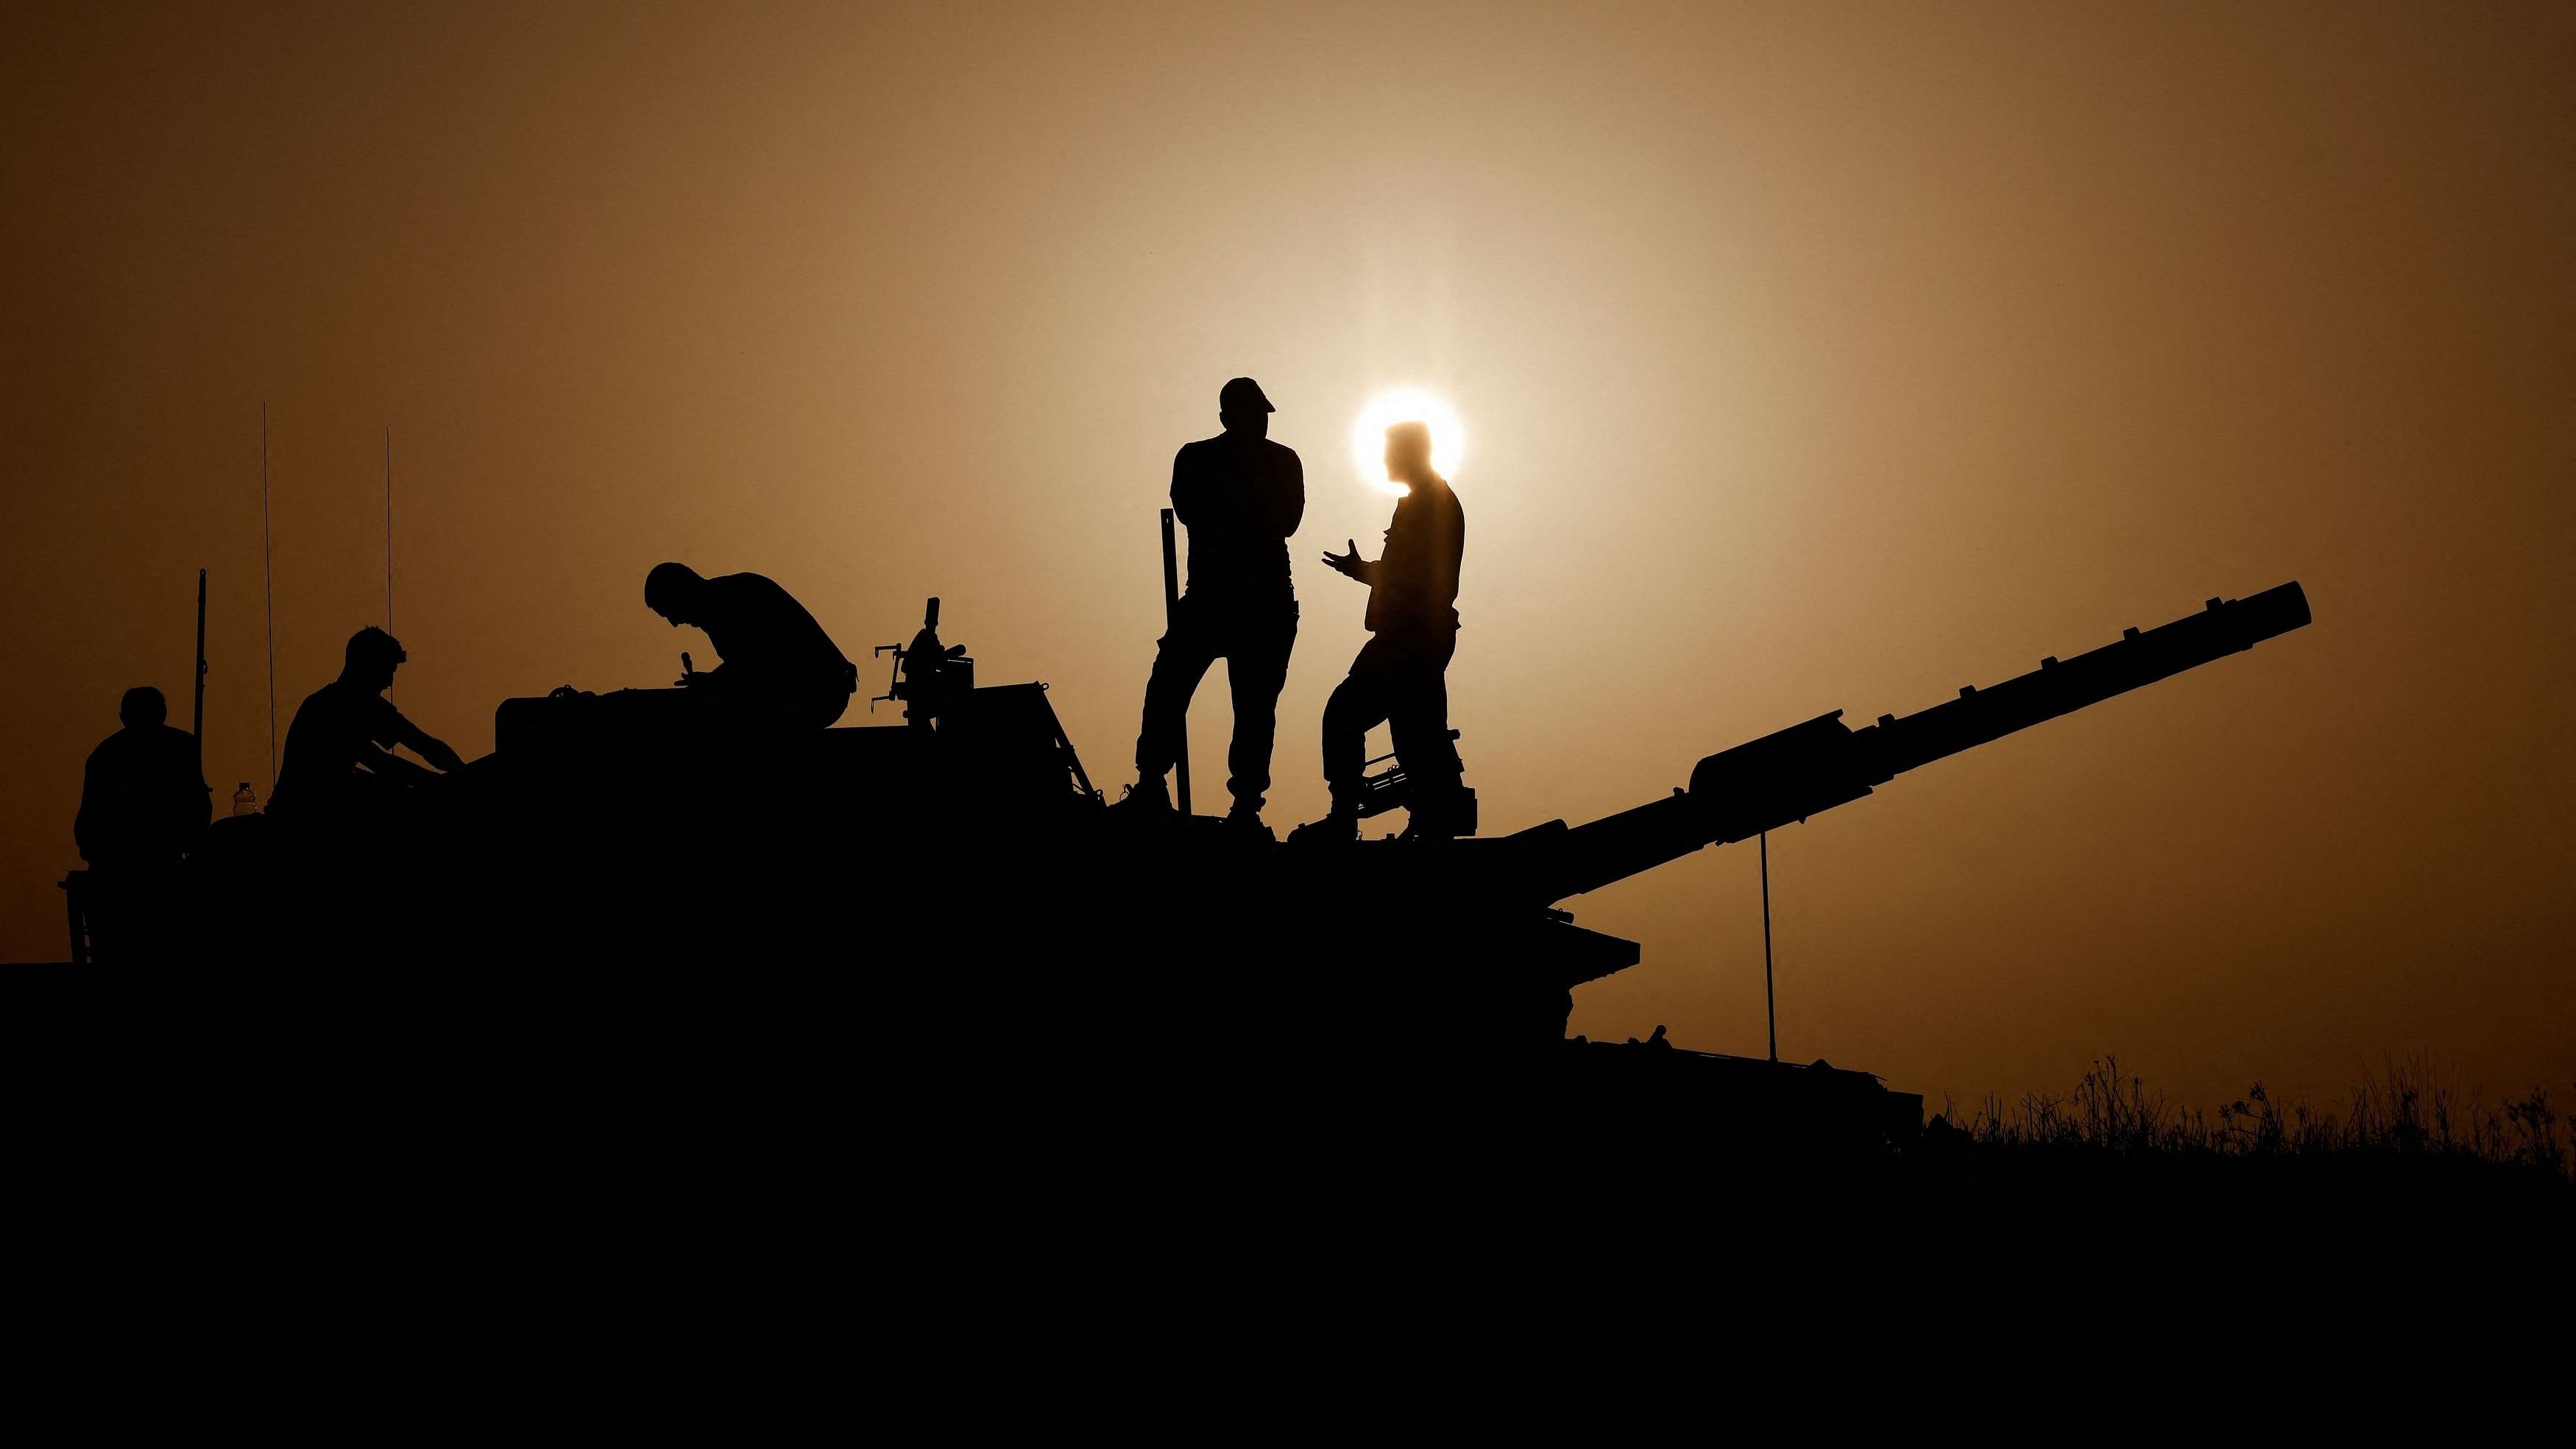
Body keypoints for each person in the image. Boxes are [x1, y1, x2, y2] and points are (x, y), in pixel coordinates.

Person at [1116, 376, 1304, 834]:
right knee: (1168, 687)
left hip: (1264, 607)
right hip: (1209, 601)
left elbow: (1288, 521)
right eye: (1252, 414)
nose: (1260, 422)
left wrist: (1240, 503)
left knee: (1255, 707)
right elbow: (1192, 511)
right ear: (1228, 417)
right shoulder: (1197, 457)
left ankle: (1245, 805)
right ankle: (1151, 783)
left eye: (1263, 415)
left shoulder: (1282, 461)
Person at [1295, 420, 1471, 843]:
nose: (1384, 459)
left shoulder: (1430, 505)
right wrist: (1366, 571)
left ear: (1411, 453)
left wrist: (1372, 574)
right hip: (1411, 635)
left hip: (1410, 637)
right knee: (1416, 731)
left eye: (1391, 451)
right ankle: (1430, 817)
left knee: (1348, 717)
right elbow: (1404, 572)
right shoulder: (1420, 503)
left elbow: (1421, 577)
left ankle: (1347, 819)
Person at [269, 627, 468, 830]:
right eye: (387, 671)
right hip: (304, 819)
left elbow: (415, 748)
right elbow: (394, 758)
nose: (389, 683)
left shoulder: (337, 704)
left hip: (303, 813)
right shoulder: (343, 707)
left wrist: (456, 777)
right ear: (367, 667)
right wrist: (455, 782)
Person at [645, 562, 857, 732]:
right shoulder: (726, 597)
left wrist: (714, 682)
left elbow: (769, 660)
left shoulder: (726, 605)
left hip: (819, 691)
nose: (674, 622)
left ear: (679, 594)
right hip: (817, 687)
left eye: (669, 612)